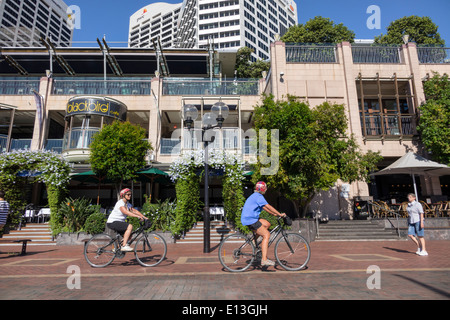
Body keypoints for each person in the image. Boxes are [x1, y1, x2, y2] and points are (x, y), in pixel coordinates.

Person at [241, 181, 286, 266]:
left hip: (250, 218)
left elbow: (264, 207)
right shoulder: (259, 197)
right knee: (267, 235)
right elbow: (268, 206)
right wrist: (280, 214)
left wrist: (274, 214)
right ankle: (264, 260)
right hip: (251, 220)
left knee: (267, 224)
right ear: (262, 188)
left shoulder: (255, 196)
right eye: (265, 187)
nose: (266, 189)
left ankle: (254, 241)